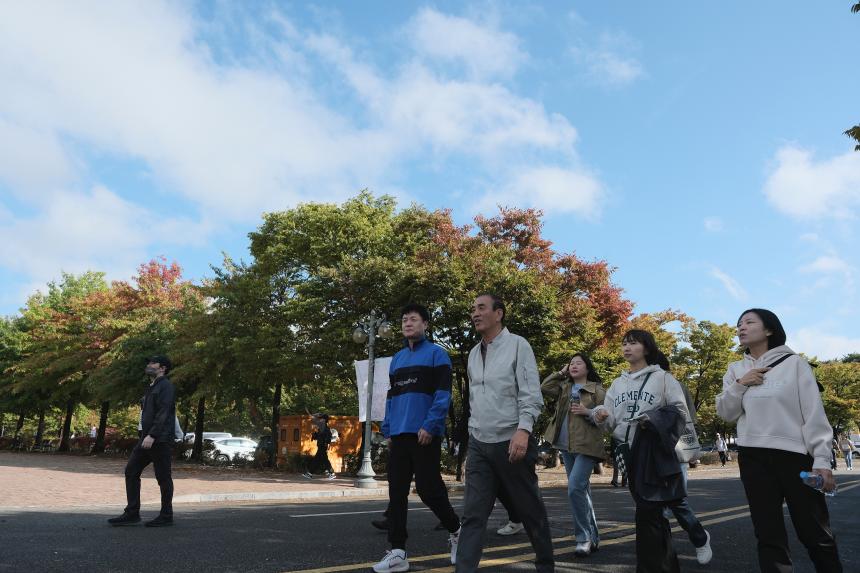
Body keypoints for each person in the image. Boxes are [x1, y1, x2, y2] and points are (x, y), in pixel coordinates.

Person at [716, 308, 842, 572]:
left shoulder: (795, 363)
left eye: (749, 322)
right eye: (739, 324)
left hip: (795, 457)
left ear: (769, 329)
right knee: (768, 534)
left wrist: (821, 459)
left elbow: (813, 413)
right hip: (753, 457)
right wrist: (741, 384)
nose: (741, 327)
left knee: (814, 533)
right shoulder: (735, 369)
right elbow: (726, 413)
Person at [593, 330, 708, 573]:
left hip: (655, 451)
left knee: (651, 512)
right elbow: (610, 421)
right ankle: (673, 557)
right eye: (624, 343)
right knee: (651, 512)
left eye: (633, 343)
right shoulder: (617, 382)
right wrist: (600, 414)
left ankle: (656, 565)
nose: (627, 348)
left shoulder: (663, 378)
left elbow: (680, 411)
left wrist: (651, 419)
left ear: (646, 348)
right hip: (627, 452)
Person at [455, 294, 554, 573]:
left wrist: (523, 430)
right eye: (473, 309)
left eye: (481, 308)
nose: (475, 313)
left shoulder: (518, 345)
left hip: (512, 441)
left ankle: (546, 565)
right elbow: (475, 399)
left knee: (530, 511)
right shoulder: (474, 353)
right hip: (479, 444)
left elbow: (531, 394)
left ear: (498, 313)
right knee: (473, 515)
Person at [371, 303, 461, 573]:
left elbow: (443, 394)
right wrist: (387, 429)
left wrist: (431, 425)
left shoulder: (438, 355)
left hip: (424, 434)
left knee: (427, 489)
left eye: (413, 319)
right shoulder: (397, 359)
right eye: (404, 320)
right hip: (398, 435)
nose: (407, 324)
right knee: (396, 492)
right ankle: (398, 551)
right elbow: (392, 396)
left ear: (425, 324)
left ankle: (457, 530)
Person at [541, 352, 606, 556]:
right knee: (582, 491)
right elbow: (544, 388)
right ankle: (593, 538)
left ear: (587, 368)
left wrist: (588, 412)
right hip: (565, 445)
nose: (574, 366)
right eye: (571, 364)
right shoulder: (565, 387)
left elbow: (605, 418)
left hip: (587, 446)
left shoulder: (598, 389)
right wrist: (560, 372)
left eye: (579, 363)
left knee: (574, 488)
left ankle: (583, 538)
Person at [108, 355, 176, 527]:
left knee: (163, 477)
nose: (149, 365)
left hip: (159, 439)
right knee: (131, 471)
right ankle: (132, 513)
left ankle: (166, 516)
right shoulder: (151, 387)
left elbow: (164, 413)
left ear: (163, 368)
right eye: (149, 363)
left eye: (153, 363)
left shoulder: (166, 387)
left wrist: (152, 435)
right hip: (146, 439)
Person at [303, 414, 335, 479]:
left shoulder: (323, 426)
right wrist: (315, 436)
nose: (320, 420)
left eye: (322, 418)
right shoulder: (322, 427)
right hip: (321, 445)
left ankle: (331, 473)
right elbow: (320, 436)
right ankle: (310, 473)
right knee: (318, 459)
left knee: (321, 460)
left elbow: (314, 420)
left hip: (323, 446)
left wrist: (314, 415)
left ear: (324, 420)